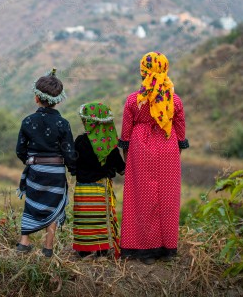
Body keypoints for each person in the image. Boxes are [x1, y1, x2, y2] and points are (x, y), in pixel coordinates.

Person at [118, 52, 189, 265]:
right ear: (165, 70)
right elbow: (181, 133)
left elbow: (125, 134)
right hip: (168, 147)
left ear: (143, 71)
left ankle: (144, 250)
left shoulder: (133, 100)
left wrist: (127, 156)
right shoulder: (174, 101)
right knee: (167, 198)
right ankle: (166, 249)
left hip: (140, 148)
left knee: (141, 197)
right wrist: (173, 153)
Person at [15, 68, 76, 258]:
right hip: (56, 172)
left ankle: (24, 242)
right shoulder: (63, 124)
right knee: (54, 205)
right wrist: (73, 169)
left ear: (36, 98)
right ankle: (48, 248)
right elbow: (69, 152)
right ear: (57, 100)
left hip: (35, 170)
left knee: (32, 203)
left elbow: (20, 149)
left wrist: (31, 162)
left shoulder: (27, 121)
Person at [71, 101, 125, 259]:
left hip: (83, 188)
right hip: (101, 188)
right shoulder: (110, 144)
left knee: (84, 219)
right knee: (101, 219)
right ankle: (102, 249)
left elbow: (72, 163)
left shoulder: (80, 141)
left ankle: (84, 250)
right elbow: (122, 168)